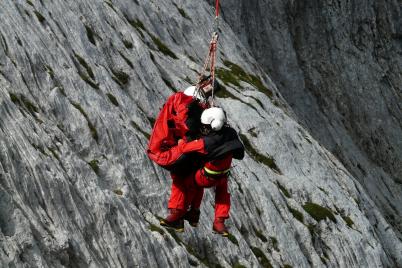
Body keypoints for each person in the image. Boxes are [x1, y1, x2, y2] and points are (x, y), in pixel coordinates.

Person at [147, 77, 220, 231]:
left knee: (183, 176)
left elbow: (182, 124)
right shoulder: (191, 106)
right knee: (190, 176)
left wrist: (184, 140)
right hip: (174, 151)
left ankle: (181, 214)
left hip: (165, 151)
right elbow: (186, 125)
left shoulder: (180, 101)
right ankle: (189, 213)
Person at [160, 107, 245, 236]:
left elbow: (184, 148)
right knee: (222, 193)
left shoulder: (206, 142)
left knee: (185, 181)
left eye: (206, 126)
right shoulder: (230, 133)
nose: (204, 128)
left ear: (213, 125)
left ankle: (179, 215)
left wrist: (181, 140)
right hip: (223, 175)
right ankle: (219, 222)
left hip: (206, 178)